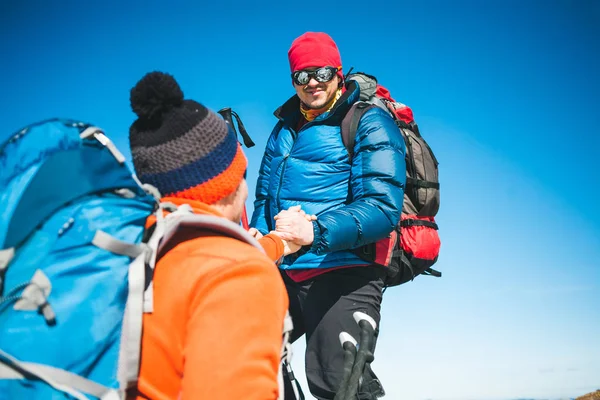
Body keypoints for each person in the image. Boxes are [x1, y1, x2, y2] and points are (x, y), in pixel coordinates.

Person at [126, 71, 304, 400]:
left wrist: (279, 242)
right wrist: (254, 260)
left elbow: (202, 266)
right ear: (229, 184)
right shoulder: (241, 275)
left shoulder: (135, 248)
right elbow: (225, 273)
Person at [249, 32, 407, 399]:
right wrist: (257, 236)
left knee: (336, 380)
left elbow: (383, 208)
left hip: (346, 268)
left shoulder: (367, 121)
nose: (313, 83)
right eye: (302, 76)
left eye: (320, 72)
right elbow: (264, 198)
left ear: (337, 71)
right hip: (287, 270)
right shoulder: (284, 129)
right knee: (248, 357)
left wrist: (315, 230)